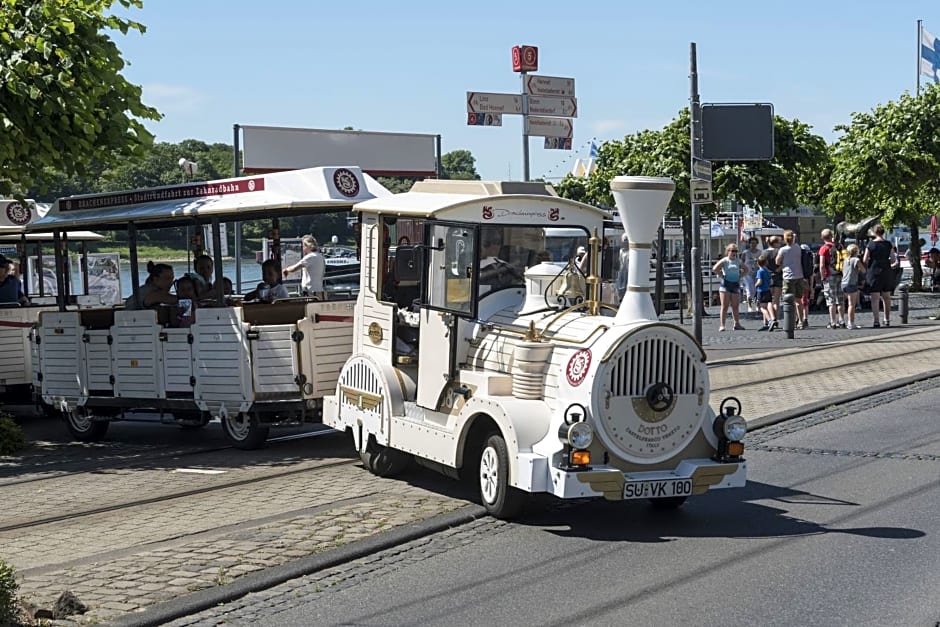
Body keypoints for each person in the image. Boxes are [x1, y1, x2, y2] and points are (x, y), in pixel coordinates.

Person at [861, 224, 896, 328]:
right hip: (886, 270)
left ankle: (876, 321)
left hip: (874, 271)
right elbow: (893, 259)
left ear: (875, 232)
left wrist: (868, 266)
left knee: (875, 298)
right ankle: (887, 319)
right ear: (883, 232)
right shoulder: (888, 244)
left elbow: (865, 259)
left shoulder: (870, 244)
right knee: (887, 297)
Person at [712, 243, 748, 331]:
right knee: (725, 306)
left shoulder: (738, 261)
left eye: (736, 251)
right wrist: (721, 275)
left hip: (735, 284)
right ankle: (722, 325)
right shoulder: (725, 260)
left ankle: (737, 324)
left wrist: (740, 276)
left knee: (735, 306)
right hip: (726, 284)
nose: (734, 253)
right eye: (732, 251)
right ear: (728, 251)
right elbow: (715, 268)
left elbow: (746, 269)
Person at [775, 230, 807, 329]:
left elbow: (777, 261)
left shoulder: (783, 250)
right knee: (798, 301)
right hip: (799, 275)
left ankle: (790, 321)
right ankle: (801, 321)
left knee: (788, 301)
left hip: (788, 277)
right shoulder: (798, 248)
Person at [283, 235, 326, 299]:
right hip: (319, 289)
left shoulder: (310, 257)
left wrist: (286, 269)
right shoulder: (320, 256)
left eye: (304, 246)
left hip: (311, 291)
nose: (303, 248)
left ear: (308, 246)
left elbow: (295, 268)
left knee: (310, 308)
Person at [818, 229, 845, 329]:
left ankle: (833, 322)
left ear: (822, 237)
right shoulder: (839, 246)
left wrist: (822, 276)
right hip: (840, 274)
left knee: (831, 300)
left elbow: (821, 265)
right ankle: (842, 320)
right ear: (831, 236)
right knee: (840, 299)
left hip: (829, 275)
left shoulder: (823, 248)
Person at [841, 244, 866, 329]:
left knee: (843, 303)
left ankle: (841, 320)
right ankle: (851, 323)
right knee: (851, 304)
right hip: (851, 283)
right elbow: (863, 270)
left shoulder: (845, 260)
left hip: (843, 283)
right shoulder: (856, 260)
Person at [763, 235, 783, 322]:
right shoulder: (779, 252)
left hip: (767, 277)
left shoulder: (764, 253)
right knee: (776, 300)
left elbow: (762, 265)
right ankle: (776, 319)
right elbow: (783, 263)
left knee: (768, 300)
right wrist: (779, 269)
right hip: (778, 276)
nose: (780, 244)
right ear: (775, 243)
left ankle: (767, 321)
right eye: (779, 242)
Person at [741, 237, 762, 313]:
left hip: (757, 273)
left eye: (754, 243)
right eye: (751, 243)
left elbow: (762, 262)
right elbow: (741, 262)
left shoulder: (760, 252)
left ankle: (757, 305)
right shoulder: (745, 252)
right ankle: (749, 305)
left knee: (757, 289)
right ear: (749, 244)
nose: (753, 244)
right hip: (748, 273)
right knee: (749, 289)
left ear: (757, 244)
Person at [754, 254, 773, 331]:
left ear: (758, 263)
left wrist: (755, 285)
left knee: (762, 308)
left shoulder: (760, 271)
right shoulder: (768, 271)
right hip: (768, 290)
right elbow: (771, 282)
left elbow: (760, 281)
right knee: (766, 306)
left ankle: (769, 320)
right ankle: (765, 324)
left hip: (761, 291)